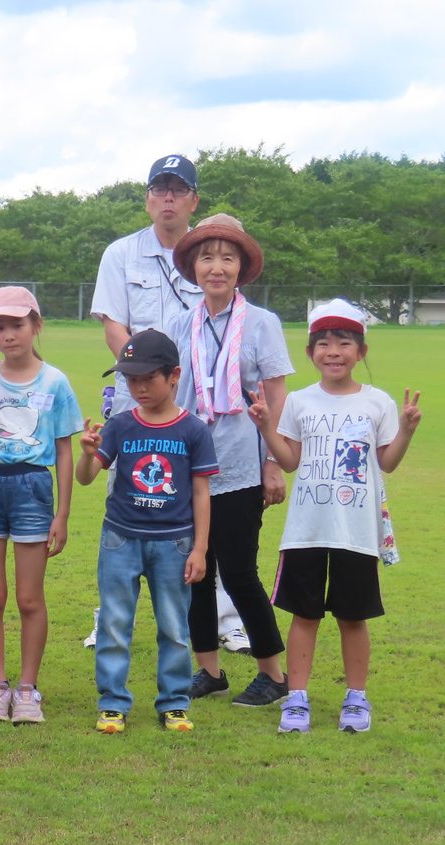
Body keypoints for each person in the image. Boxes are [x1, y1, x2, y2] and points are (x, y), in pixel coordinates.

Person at [87, 155, 251, 654]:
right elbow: (114, 322)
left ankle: (224, 618)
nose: (168, 199)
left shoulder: (214, 251)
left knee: (209, 503)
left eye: (179, 191)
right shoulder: (121, 253)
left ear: (194, 200)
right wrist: (148, 377)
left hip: (205, 406)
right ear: (148, 197)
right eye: (160, 189)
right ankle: (111, 616)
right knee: (129, 501)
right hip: (138, 398)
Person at [247, 300, 422, 734]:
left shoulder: (376, 402)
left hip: (356, 531)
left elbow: (387, 463)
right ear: (311, 353)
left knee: (352, 616)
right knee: (303, 615)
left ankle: (357, 699)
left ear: (360, 352)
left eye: (344, 343)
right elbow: (289, 462)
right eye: (323, 343)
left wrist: (407, 431)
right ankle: (298, 700)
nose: (334, 351)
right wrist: (267, 426)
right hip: (306, 530)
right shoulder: (300, 401)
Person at [169, 214, 295, 707]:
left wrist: (273, 462)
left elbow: (276, 392)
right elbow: (172, 392)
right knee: (194, 572)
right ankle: (209, 671)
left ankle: (274, 675)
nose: (216, 267)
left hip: (243, 461)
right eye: (206, 256)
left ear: (241, 267)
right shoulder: (181, 323)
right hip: (189, 465)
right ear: (194, 267)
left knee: (239, 571)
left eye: (227, 257)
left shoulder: (262, 323)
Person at [76, 329, 216, 734]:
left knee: (174, 627)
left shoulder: (193, 430)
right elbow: (87, 477)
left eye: (147, 378)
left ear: (174, 376)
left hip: (175, 542)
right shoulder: (120, 425)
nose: (138, 387)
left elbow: (202, 493)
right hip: (120, 538)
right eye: (130, 379)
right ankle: (113, 703)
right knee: (115, 623)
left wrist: (200, 549)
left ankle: (174, 702)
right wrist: (87, 455)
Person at [0, 288, 83, 724]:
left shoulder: (55, 381)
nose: (9, 334)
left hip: (34, 488)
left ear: (36, 325)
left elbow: (65, 450)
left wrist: (63, 514)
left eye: (17, 324)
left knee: (30, 599)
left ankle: (28, 688)